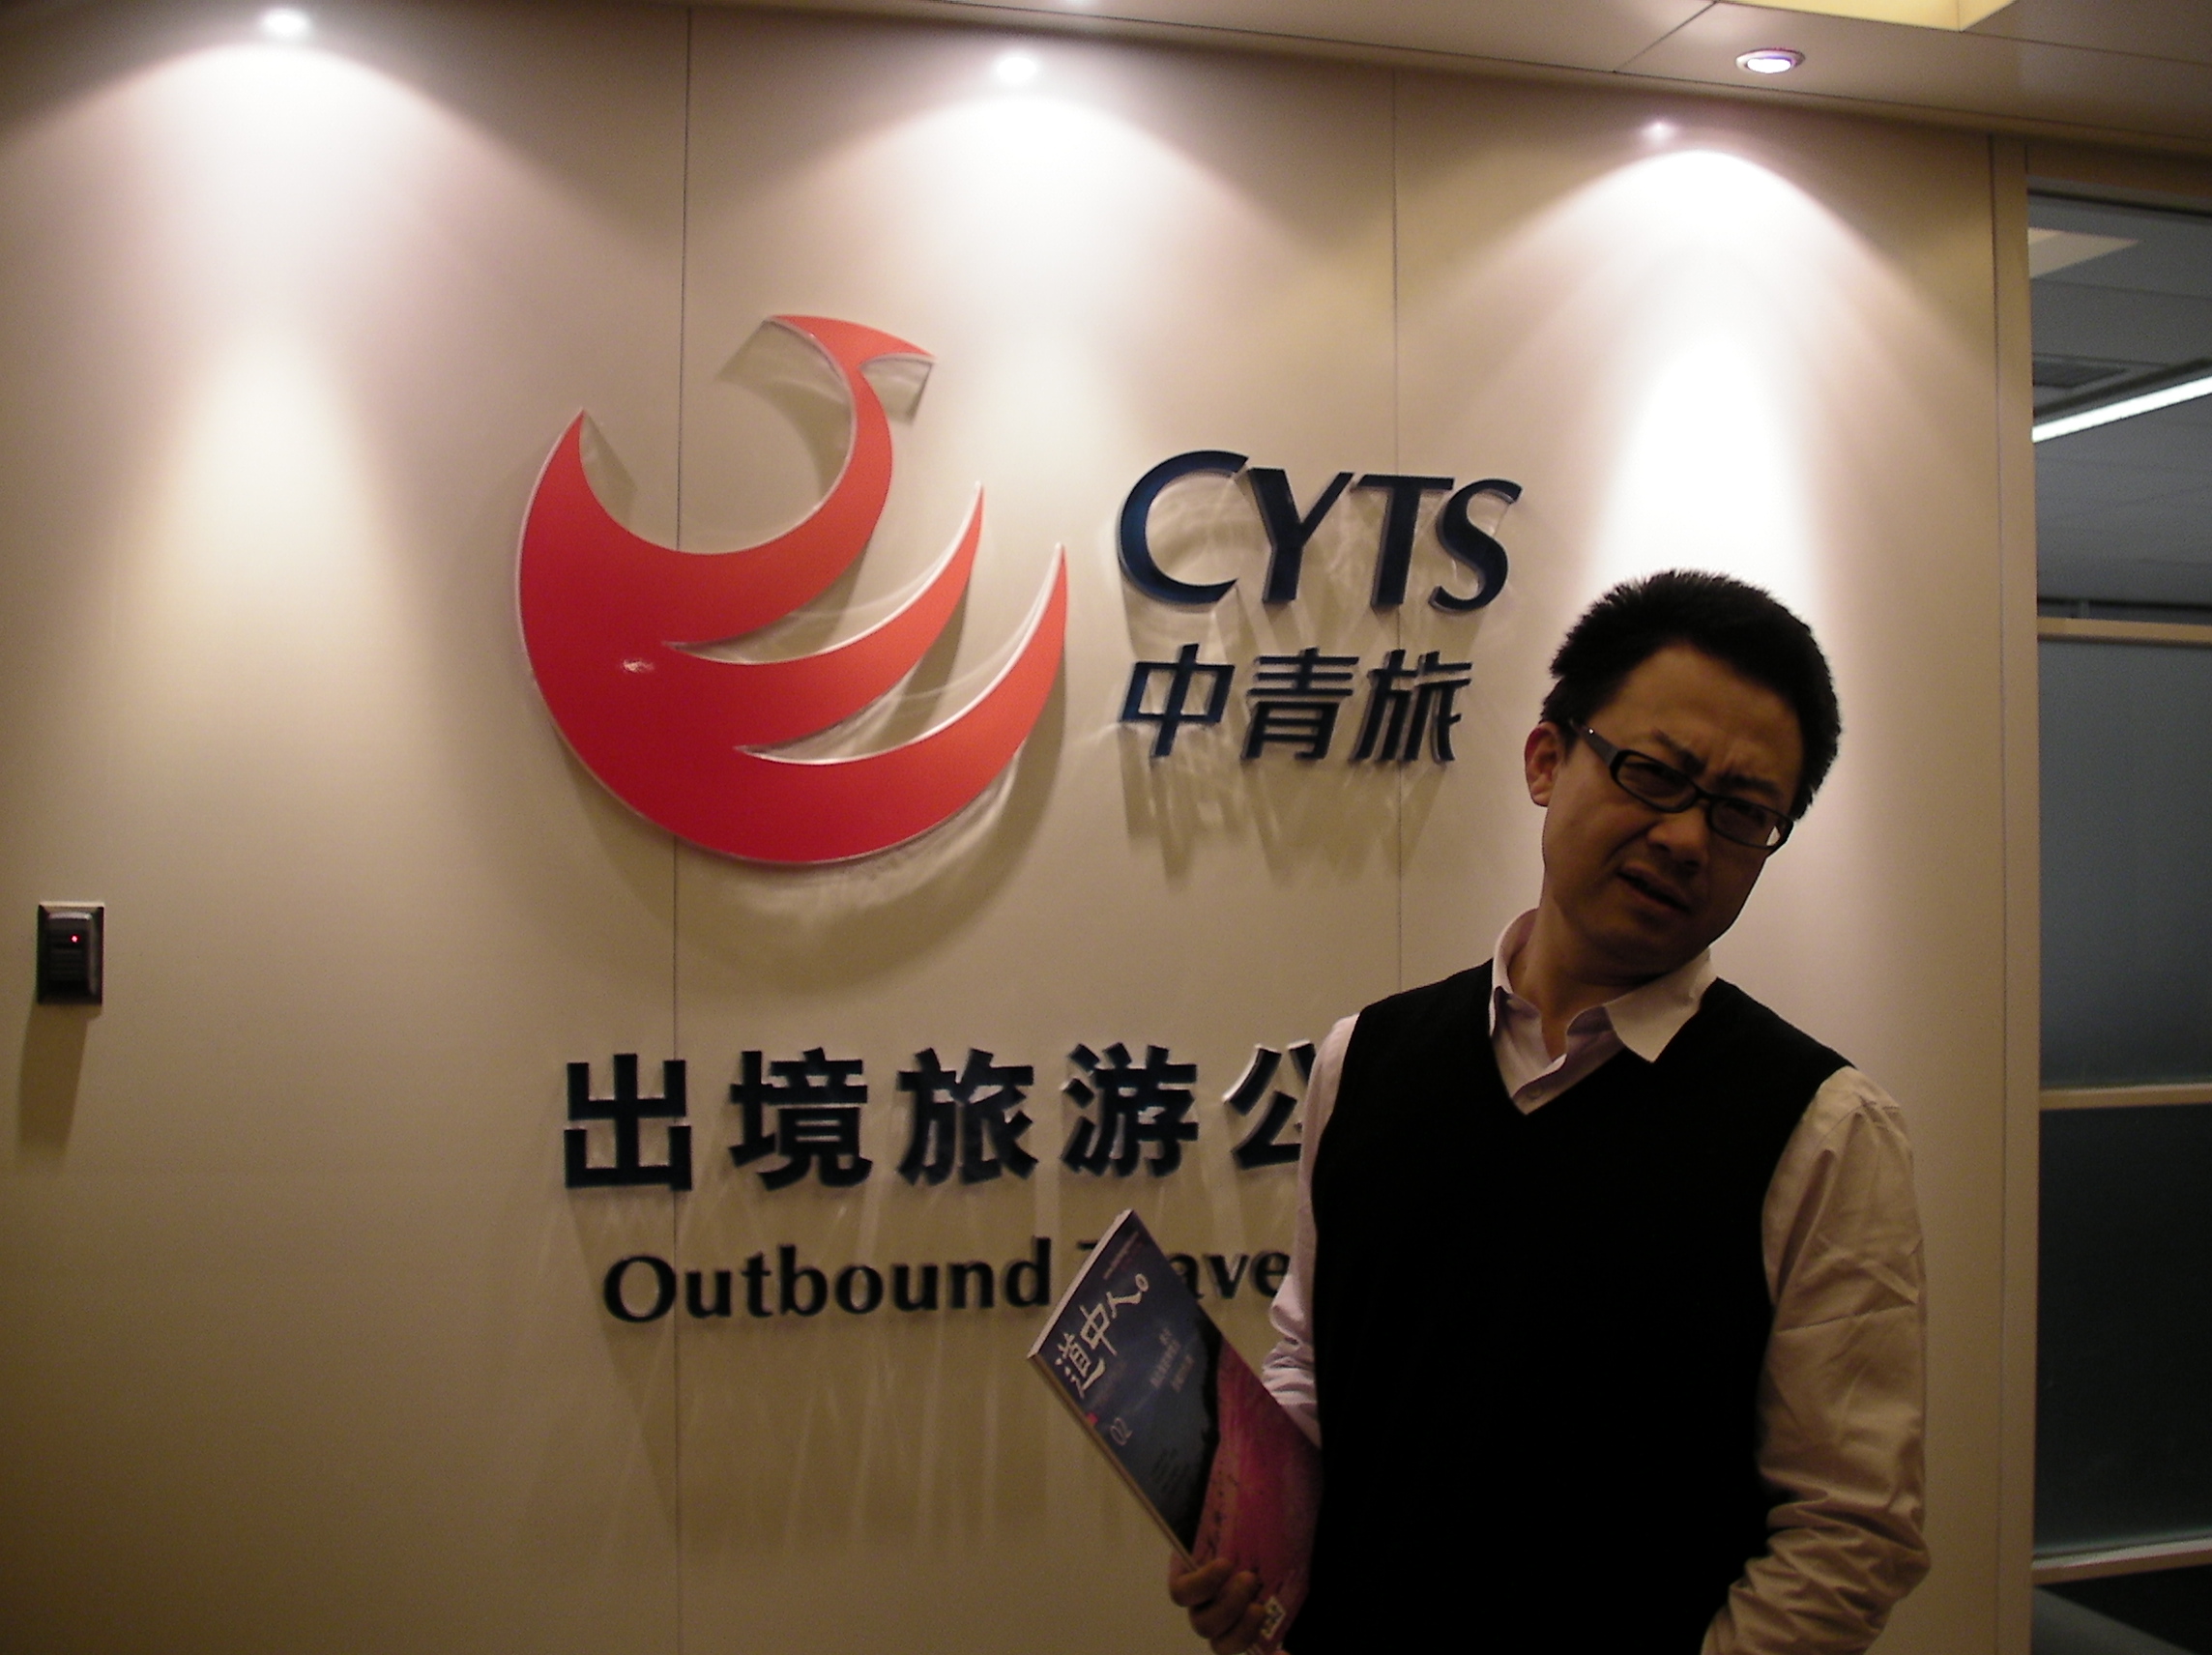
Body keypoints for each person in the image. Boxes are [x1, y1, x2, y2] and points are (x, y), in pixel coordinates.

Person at [1171, 570, 1929, 1654]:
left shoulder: (1821, 1129)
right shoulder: (1365, 1058)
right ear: (1545, 759)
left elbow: (1851, 1530)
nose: (1686, 838)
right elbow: (1314, 1361)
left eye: (1742, 812)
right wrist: (1246, 1538)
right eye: (1653, 773)